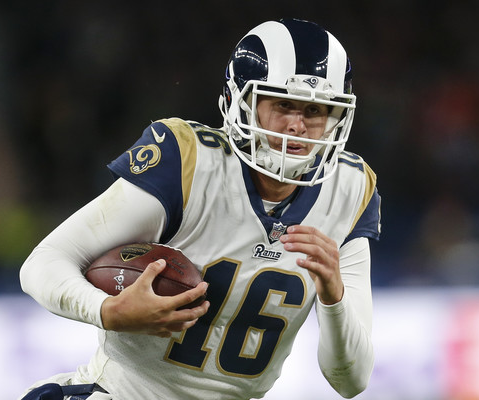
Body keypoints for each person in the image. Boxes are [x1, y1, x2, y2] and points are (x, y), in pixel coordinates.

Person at [19, 18, 381, 400]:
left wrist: (333, 294)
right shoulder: (188, 162)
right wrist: (108, 310)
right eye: (283, 105)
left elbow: (351, 381)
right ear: (242, 101)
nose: (297, 126)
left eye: (314, 111)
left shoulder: (351, 189)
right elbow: (43, 263)